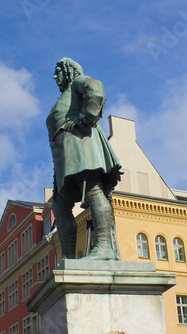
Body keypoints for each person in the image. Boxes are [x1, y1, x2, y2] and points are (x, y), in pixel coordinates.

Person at [46, 57, 122, 261]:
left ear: (69, 71)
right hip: (64, 156)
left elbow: (95, 89)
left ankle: (104, 247)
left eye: (58, 71)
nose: (55, 76)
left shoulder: (78, 83)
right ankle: (68, 258)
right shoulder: (65, 97)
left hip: (81, 144)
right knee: (60, 205)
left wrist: (86, 117)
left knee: (92, 188)